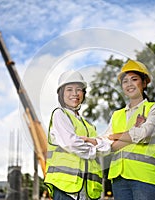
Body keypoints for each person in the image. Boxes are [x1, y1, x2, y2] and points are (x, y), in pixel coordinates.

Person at [104, 60, 155, 200]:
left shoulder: (154, 108)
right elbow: (107, 143)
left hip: (146, 177)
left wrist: (116, 136)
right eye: (125, 81)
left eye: (134, 79)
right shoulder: (117, 115)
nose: (129, 84)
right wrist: (131, 135)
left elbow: (145, 134)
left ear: (144, 83)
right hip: (119, 179)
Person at [44, 70, 111, 200]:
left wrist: (100, 145)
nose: (75, 94)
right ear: (61, 93)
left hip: (87, 189)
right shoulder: (60, 114)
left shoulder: (88, 125)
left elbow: (105, 144)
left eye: (79, 89)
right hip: (66, 188)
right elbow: (72, 143)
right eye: (69, 89)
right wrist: (97, 149)